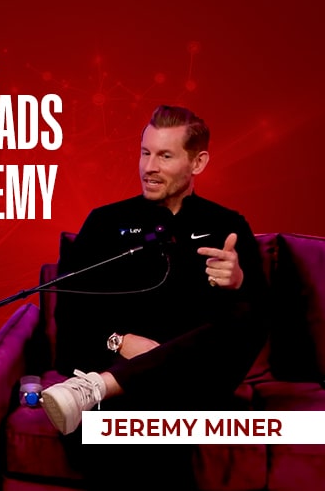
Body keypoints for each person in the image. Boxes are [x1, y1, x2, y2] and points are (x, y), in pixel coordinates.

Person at [41, 105, 269, 489]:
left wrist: (239, 281)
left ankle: (100, 388)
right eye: (145, 152)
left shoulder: (227, 225)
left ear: (198, 162)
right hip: (136, 369)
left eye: (165, 155)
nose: (149, 166)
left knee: (245, 315)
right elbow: (72, 311)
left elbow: (256, 321)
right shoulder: (104, 222)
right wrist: (121, 341)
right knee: (154, 413)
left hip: (198, 375)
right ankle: (118, 388)